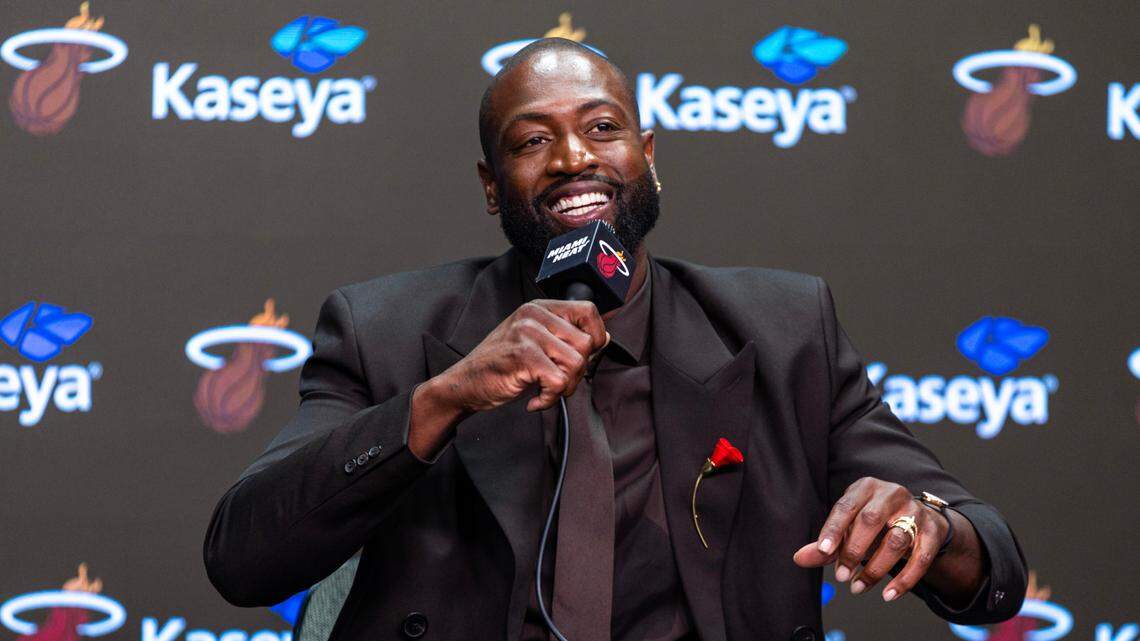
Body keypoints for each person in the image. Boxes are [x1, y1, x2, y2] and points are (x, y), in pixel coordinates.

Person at [203, 38, 1027, 641]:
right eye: (532, 141)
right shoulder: (383, 330)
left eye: (603, 128)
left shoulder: (782, 330)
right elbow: (243, 560)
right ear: (493, 188)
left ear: (647, 156)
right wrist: (441, 400)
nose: (572, 157)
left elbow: (993, 569)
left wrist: (924, 527)